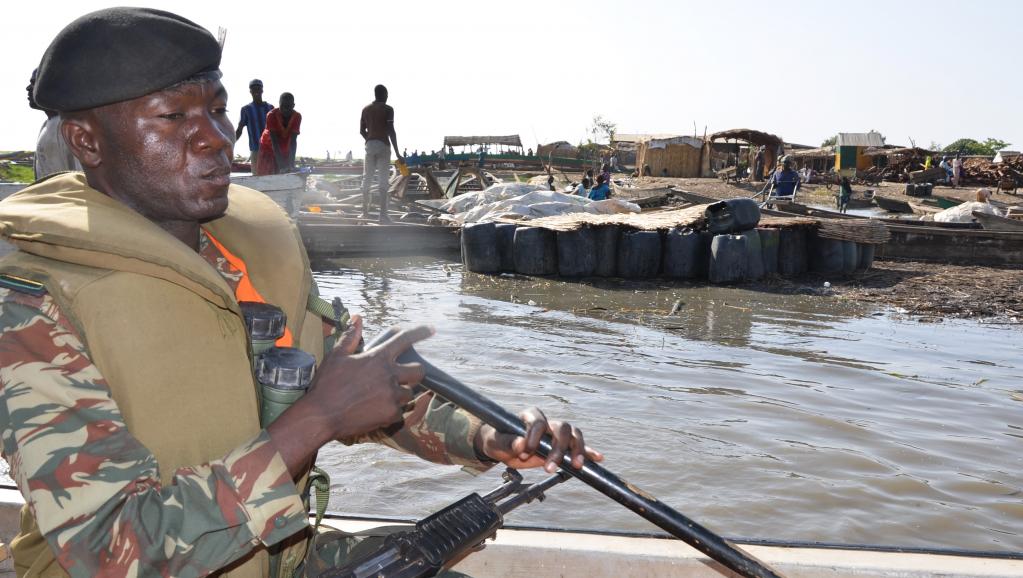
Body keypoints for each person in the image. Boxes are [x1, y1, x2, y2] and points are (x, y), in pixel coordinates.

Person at [0, 8, 600, 577]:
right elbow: (112, 551)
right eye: (173, 117)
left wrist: (489, 437)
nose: (215, 138)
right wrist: (319, 419)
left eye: (216, 110)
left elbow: (363, 383)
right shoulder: (34, 303)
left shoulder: (244, 251)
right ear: (88, 142)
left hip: (276, 555)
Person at [26, 68, 82, 179]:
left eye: (34, 83)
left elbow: (82, 176)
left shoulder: (72, 127)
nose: (28, 88)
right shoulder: (47, 125)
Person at [360, 84, 402, 222]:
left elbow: (362, 130)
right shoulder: (388, 109)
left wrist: (370, 139)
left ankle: (364, 213)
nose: (387, 97)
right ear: (383, 94)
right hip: (383, 145)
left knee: (367, 179)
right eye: (387, 95)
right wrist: (397, 153)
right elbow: (391, 130)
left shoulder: (366, 109)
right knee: (383, 181)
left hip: (370, 145)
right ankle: (383, 215)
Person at [257, 92, 302, 175]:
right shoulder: (271, 115)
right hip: (267, 148)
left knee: (288, 170)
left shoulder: (297, 117)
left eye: (288, 107)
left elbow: (293, 142)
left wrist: (291, 165)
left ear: (293, 106)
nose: (285, 110)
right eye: (282, 106)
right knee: (268, 174)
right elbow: (274, 142)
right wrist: (282, 167)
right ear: (279, 104)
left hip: (284, 148)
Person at [235, 79, 274, 174]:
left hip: (271, 150)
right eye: (253, 88)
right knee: (257, 177)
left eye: (258, 88)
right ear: (250, 91)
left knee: (272, 176)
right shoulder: (246, 109)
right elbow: (239, 129)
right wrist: (231, 143)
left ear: (262, 90)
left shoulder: (271, 108)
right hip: (255, 149)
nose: (256, 90)